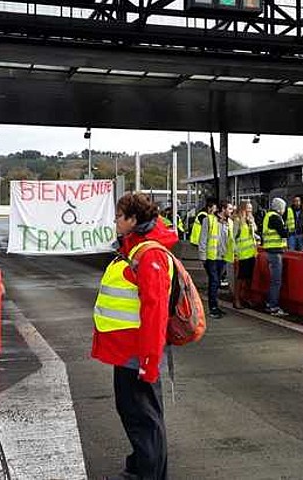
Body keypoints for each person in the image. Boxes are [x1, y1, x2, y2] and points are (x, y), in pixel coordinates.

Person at [92, 193, 178, 480]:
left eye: (118, 216)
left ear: (133, 219)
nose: (115, 221)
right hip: (127, 351)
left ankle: (149, 473)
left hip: (137, 353)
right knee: (135, 413)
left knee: (144, 418)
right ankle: (140, 466)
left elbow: (155, 313)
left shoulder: (149, 255)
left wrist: (149, 362)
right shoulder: (135, 249)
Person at [199, 200, 234, 319]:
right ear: (223, 209)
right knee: (214, 281)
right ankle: (213, 308)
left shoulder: (230, 222)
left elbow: (231, 240)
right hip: (211, 257)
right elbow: (203, 239)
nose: (231, 211)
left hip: (222, 257)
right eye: (229, 209)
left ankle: (215, 306)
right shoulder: (208, 220)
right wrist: (203, 256)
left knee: (216, 282)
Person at [261, 197, 289, 316]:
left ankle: (269, 303)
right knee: (276, 281)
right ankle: (273, 306)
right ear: (280, 208)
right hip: (275, 252)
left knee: (273, 280)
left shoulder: (268, 216)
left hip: (269, 250)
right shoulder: (275, 217)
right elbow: (284, 233)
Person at [232, 201, 259, 309]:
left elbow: (255, 231)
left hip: (251, 253)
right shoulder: (238, 221)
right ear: (243, 208)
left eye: (251, 208)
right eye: (248, 208)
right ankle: (237, 299)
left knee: (249, 278)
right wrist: (235, 253)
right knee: (240, 278)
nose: (250, 210)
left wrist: (252, 223)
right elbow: (233, 237)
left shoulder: (250, 220)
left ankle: (247, 298)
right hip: (242, 254)